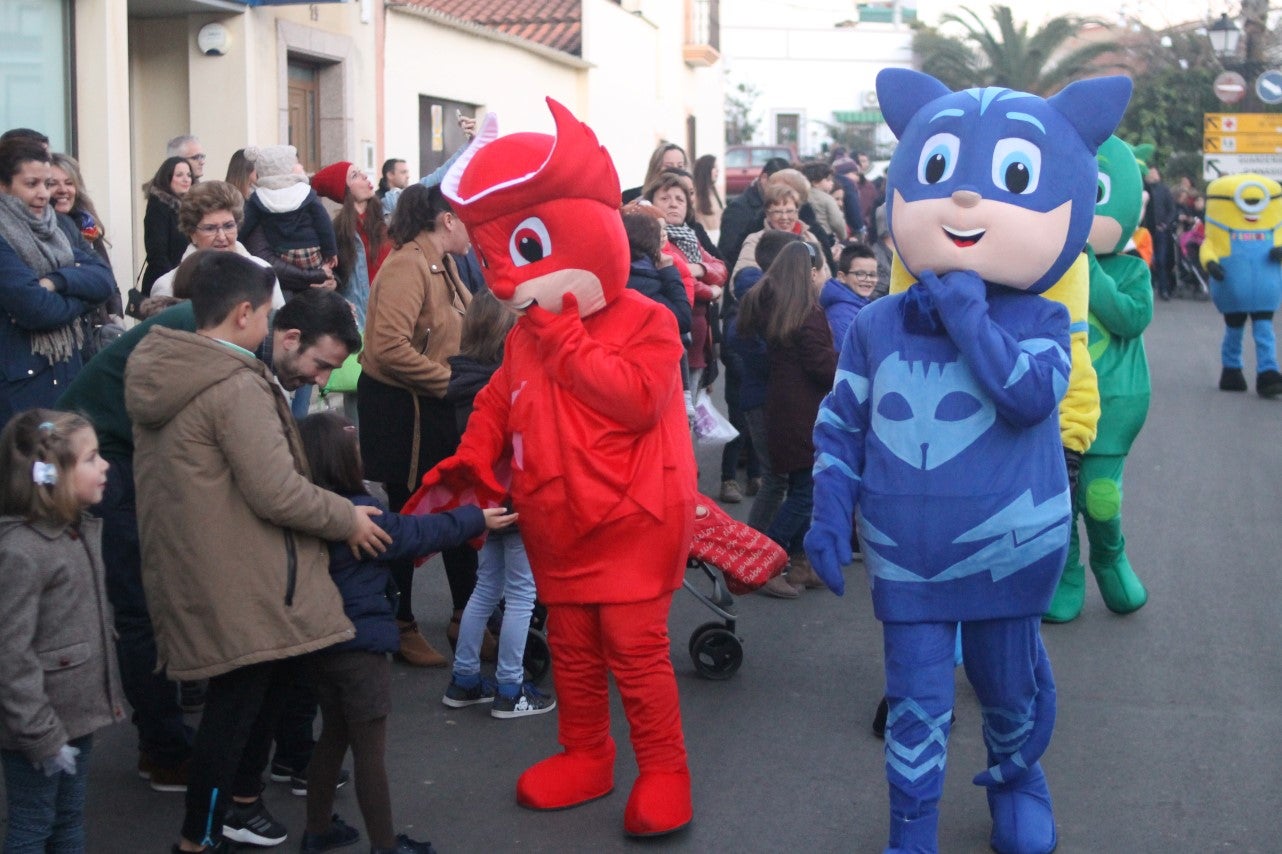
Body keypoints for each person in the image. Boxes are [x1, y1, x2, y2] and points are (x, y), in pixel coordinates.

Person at [411, 98, 698, 838]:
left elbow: (635, 400)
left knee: (634, 653)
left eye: (520, 255)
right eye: (495, 260)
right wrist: (471, 459)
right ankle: (587, 754)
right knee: (571, 650)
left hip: (631, 521)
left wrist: (566, 336)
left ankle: (664, 770)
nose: (506, 282)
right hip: (557, 524)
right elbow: (499, 404)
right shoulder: (525, 336)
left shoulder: (647, 320)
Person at [124, 251, 391, 853]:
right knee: (233, 714)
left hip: (212, 563)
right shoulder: (234, 384)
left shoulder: (180, 366)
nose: (270, 323)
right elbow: (276, 490)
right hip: (233, 574)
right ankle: (200, 837)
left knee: (250, 700)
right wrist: (344, 516)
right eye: (268, 313)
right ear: (246, 314)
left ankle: (230, 814)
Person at [58, 274, 363, 800]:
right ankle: (166, 751)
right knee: (141, 607)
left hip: (132, 446)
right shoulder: (214, 341)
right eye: (321, 366)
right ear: (284, 335)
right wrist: (344, 517)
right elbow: (268, 486)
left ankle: (230, 747)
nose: (319, 381)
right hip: (109, 453)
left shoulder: (245, 343)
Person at [297, 410, 515, 854]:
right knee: (370, 752)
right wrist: (478, 519)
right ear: (342, 461)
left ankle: (317, 830)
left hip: (321, 643)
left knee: (334, 736)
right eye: (356, 451)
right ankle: (385, 846)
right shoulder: (359, 515)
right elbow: (419, 532)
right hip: (361, 648)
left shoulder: (307, 512)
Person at [358, 182, 483, 668]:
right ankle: (399, 622)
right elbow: (387, 348)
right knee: (410, 514)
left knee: (453, 505)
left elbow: (466, 324)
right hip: (404, 413)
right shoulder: (407, 264)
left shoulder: (443, 262)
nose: (473, 227)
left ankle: (465, 618)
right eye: (467, 216)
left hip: (432, 406)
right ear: (446, 220)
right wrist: (448, 382)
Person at [0, 409, 125, 854]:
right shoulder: (21, 552)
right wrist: (40, 735)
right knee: (34, 825)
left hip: (73, 717)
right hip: (39, 727)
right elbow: (10, 655)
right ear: (51, 477)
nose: (105, 464)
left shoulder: (74, 532)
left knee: (69, 819)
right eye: (91, 458)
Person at [440, 290, 555, 719]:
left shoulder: (460, 380)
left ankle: (465, 677)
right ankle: (511, 685)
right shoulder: (504, 384)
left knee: (485, 588)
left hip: (484, 502)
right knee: (523, 593)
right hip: (517, 500)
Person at [736, 241, 834, 593]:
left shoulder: (770, 306)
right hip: (800, 410)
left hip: (780, 404)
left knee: (795, 485)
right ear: (805, 273)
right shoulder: (805, 312)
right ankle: (764, 560)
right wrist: (852, 364)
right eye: (816, 270)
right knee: (802, 492)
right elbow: (821, 364)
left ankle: (797, 565)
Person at [0, 138, 116, 425]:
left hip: (68, 372)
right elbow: (35, 309)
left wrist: (55, 282)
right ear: (3, 186)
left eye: (47, 184)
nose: (44, 194)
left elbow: (104, 280)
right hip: (21, 389)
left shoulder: (59, 226)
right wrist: (83, 299)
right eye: (31, 184)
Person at [728, 230, 803, 567]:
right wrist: (776, 364)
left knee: (781, 477)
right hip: (762, 396)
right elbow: (740, 340)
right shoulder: (760, 295)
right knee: (776, 478)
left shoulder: (765, 294)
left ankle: (769, 552)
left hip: (767, 395)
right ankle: (750, 554)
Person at [644, 171, 727, 390]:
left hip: (698, 343)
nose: (673, 204)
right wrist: (712, 292)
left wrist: (699, 268)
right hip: (674, 340)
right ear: (651, 204)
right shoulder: (653, 239)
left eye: (679, 199)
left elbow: (721, 269)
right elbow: (683, 281)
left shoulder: (691, 237)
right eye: (665, 198)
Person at [147, 180, 287, 309]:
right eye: (210, 228)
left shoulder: (262, 271)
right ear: (192, 233)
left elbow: (277, 328)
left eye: (228, 226)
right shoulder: (169, 285)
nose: (221, 236)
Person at [312, 161, 391, 328]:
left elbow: (431, 181)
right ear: (345, 190)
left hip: (395, 314)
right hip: (363, 322)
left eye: (361, 171)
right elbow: (335, 278)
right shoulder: (336, 231)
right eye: (355, 175)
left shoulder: (388, 212)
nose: (364, 176)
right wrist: (332, 283)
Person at [731, 183, 825, 282]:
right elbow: (740, 281)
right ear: (767, 214)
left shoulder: (809, 238)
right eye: (777, 212)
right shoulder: (755, 241)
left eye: (789, 211)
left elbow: (824, 276)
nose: (784, 217)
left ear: (797, 212)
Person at [621, 204, 692, 334]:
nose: (664, 235)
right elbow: (683, 320)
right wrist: (669, 271)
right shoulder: (645, 282)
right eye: (659, 231)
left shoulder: (621, 271)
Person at [718, 155, 789, 272]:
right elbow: (727, 255)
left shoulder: (789, 208)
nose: (783, 191)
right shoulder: (738, 209)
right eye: (779, 185)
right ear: (764, 178)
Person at [140, 156, 194, 294]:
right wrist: (173, 283)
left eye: (189, 175)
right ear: (167, 178)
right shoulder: (158, 208)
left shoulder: (190, 209)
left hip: (185, 283)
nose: (186, 179)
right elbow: (157, 254)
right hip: (164, 286)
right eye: (179, 175)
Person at [820, 242, 877, 353]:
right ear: (842, 277)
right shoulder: (839, 315)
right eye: (860, 274)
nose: (868, 279)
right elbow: (846, 357)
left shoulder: (862, 304)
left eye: (872, 274)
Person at [1144, 164, 1177, 300]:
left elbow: (1172, 210)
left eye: (1154, 173)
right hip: (1146, 231)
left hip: (1161, 231)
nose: (1152, 175)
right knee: (1146, 260)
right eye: (1150, 173)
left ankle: (1164, 289)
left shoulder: (1164, 190)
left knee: (1161, 260)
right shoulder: (1143, 189)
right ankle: (1148, 289)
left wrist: (1165, 224)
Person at [622, 142, 686, 205]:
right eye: (669, 166)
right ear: (656, 167)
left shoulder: (691, 198)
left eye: (680, 166)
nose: (676, 171)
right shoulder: (629, 197)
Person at [692, 153, 724, 236]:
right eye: (714, 167)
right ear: (705, 170)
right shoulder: (694, 195)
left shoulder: (715, 192)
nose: (718, 170)